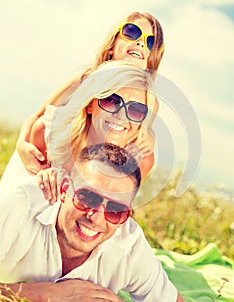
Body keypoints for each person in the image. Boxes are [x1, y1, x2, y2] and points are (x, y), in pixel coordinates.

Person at [0, 143, 191, 302]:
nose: (97, 219)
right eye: (88, 197)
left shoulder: (129, 247)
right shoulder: (16, 207)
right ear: (64, 188)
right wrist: (49, 294)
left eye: (116, 210)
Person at [15, 11, 164, 176]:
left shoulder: (147, 101)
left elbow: (135, 132)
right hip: (52, 159)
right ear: (112, 46)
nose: (141, 43)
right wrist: (21, 144)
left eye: (150, 42)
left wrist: (149, 136)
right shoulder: (84, 79)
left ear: (150, 60)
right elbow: (38, 116)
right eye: (132, 33)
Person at [0, 61, 157, 202]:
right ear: (89, 104)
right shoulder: (49, 134)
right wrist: (41, 180)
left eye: (136, 109)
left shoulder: (140, 160)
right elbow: (23, 200)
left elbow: (114, 209)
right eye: (111, 100)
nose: (121, 115)